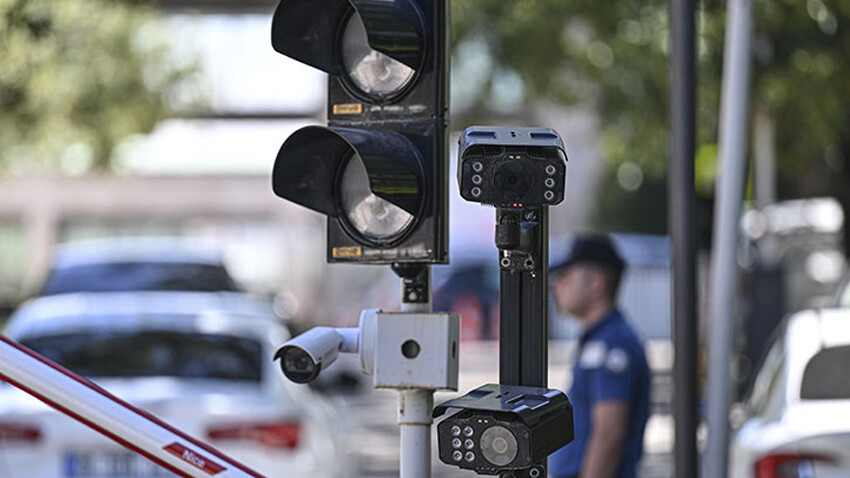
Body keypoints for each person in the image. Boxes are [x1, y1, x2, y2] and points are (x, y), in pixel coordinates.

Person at [548, 235, 650, 478]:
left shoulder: (612, 345)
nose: (556, 286)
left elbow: (609, 434)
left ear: (595, 283)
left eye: (566, 277)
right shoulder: (602, 339)